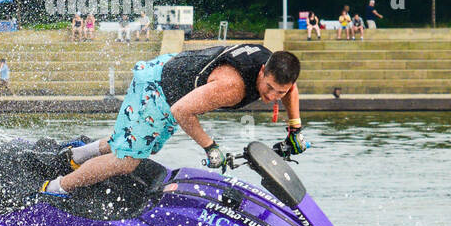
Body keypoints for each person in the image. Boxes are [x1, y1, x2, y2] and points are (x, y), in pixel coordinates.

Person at [39, 43, 305, 199]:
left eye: (278, 92)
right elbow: (181, 112)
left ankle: (77, 155)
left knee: (139, 144)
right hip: (159, 91)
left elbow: (290, 90)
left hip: (172, 72)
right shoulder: (232, 87)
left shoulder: (275, 65)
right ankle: (55, 189)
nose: (271, 97)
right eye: (268, 87)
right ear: (262, 71)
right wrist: (210, 148)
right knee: (127, 161)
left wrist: (295, 128)